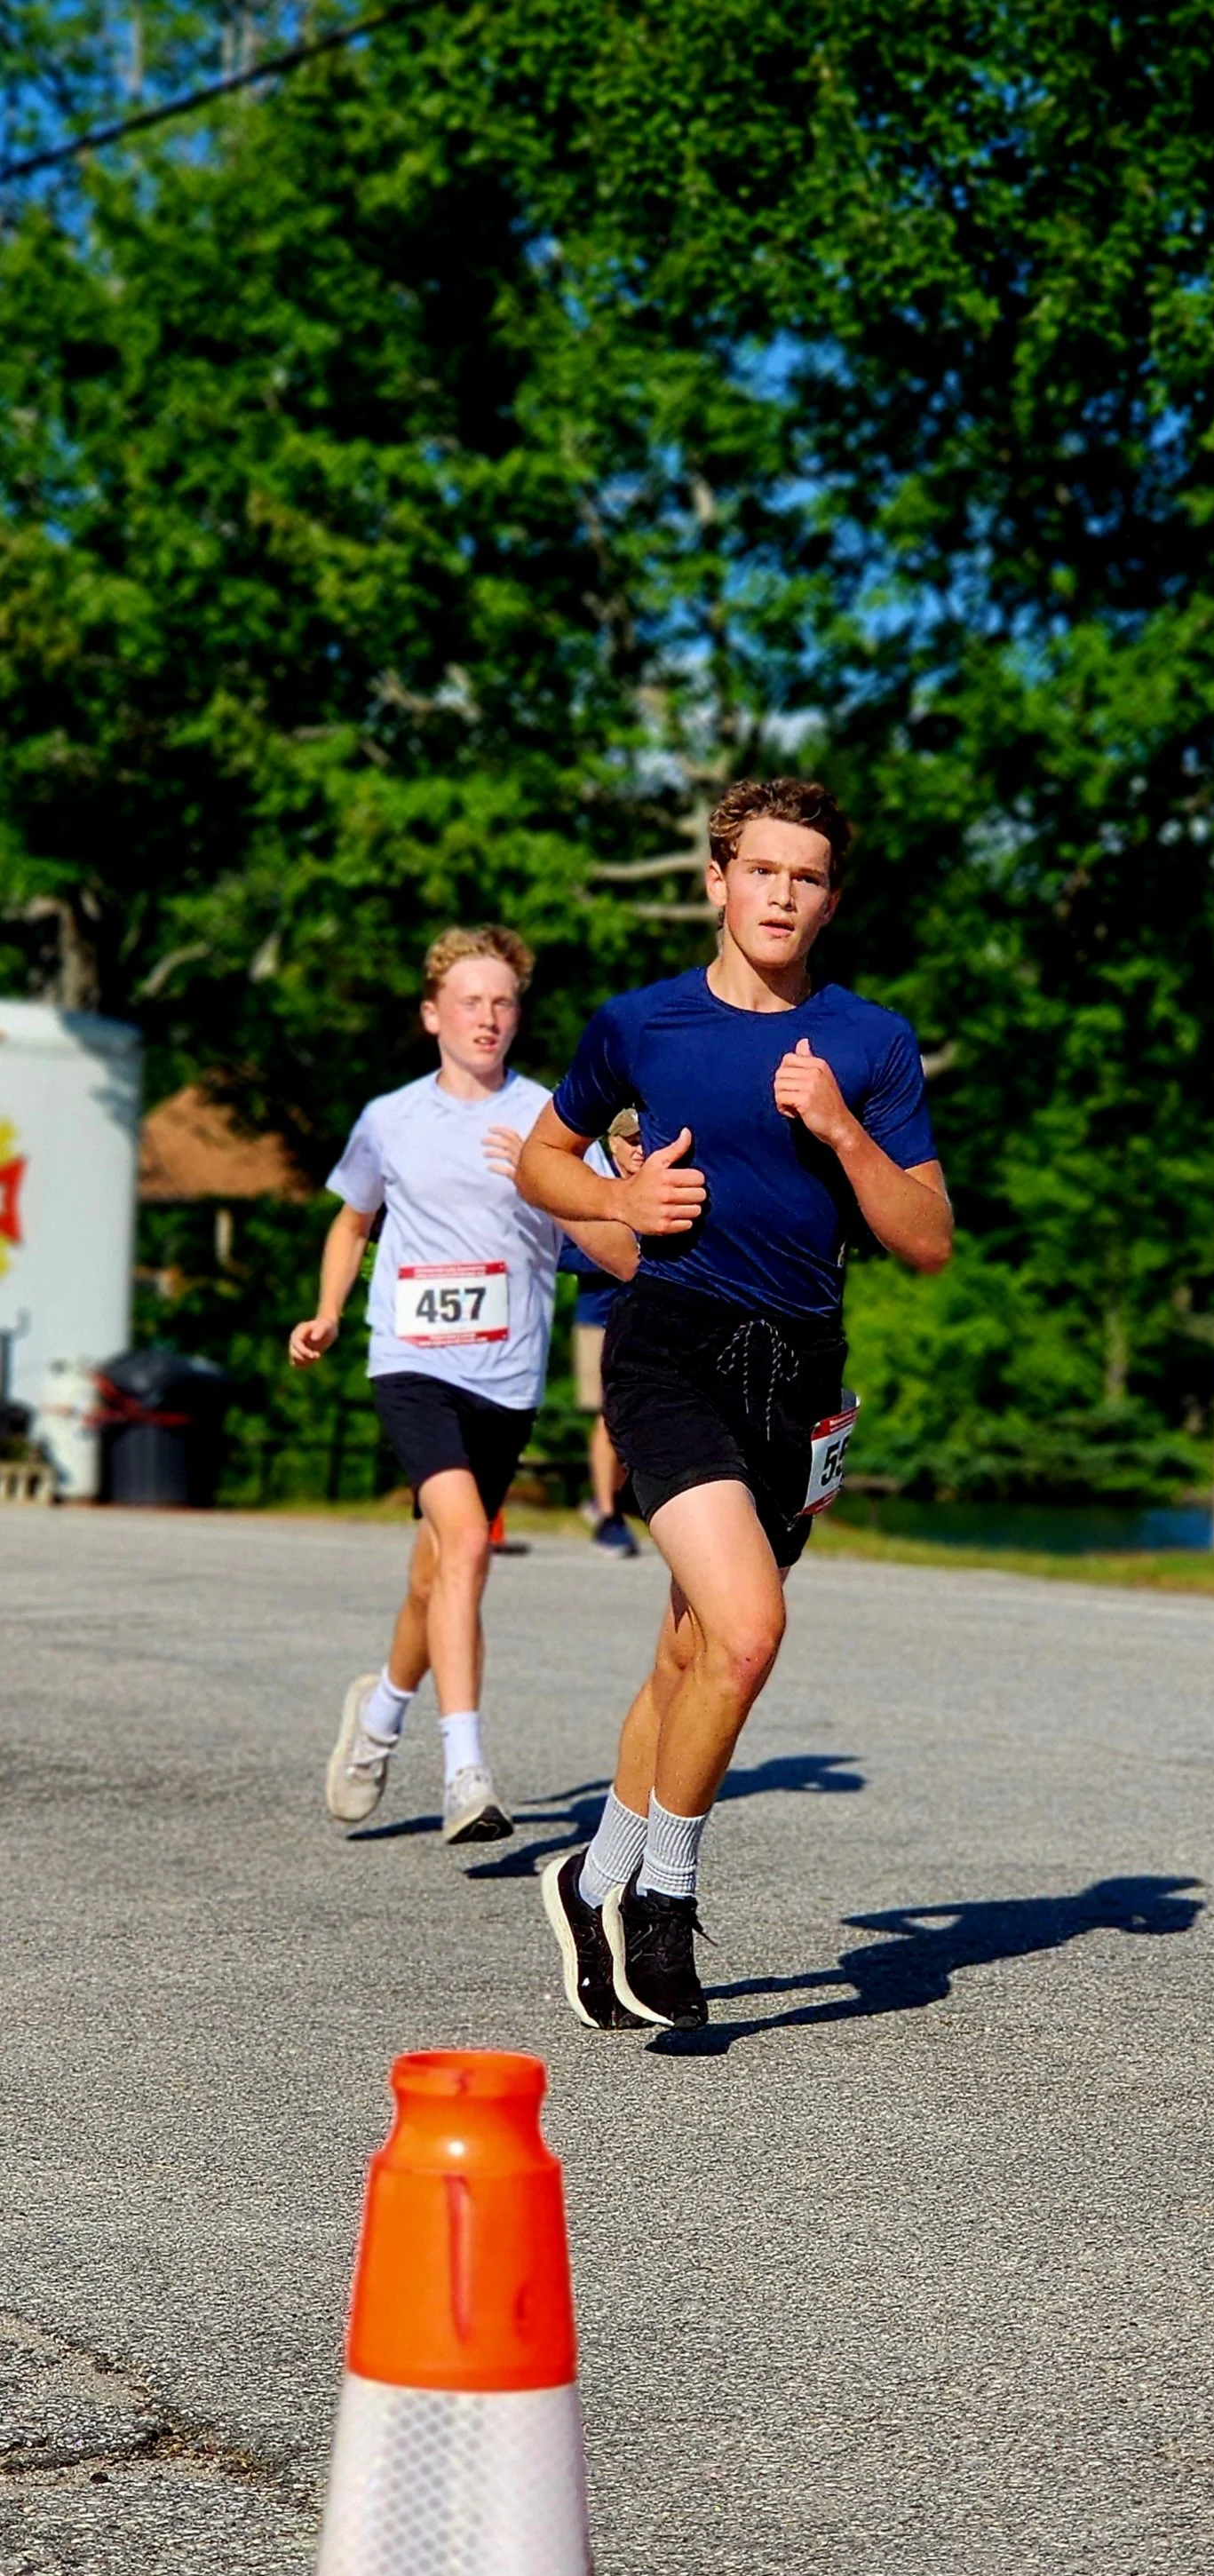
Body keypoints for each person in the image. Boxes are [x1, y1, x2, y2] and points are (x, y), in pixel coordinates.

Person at [516, 776, 953, 2030]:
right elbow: (548, 1155)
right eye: (759, 869)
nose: (780, 892)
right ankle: (661, 1895)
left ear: (826, 899)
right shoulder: (638, 1026)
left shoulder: (866, 1042)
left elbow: (923, 1238)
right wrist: (615, 1203)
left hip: (798, 1369)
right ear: (716, 880)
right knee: (748, 1630)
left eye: (805, 876)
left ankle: (585, 1875)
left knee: (689, 1647)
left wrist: (839, 1130)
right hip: (670, 1344)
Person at [288, 924, 634, 1846]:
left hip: (506, 1373)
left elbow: (611, 1249)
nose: (487, 1016)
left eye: (503, 1002)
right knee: (467, 1549)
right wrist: (326, 1311)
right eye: (470, 1001)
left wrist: (548, 1193)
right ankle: (465, 1768)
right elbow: (350, 1221)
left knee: (433, 1571)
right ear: (432, 1014)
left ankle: (378, 1717)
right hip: (409, 1357)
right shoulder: (389, 1118)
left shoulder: (550, 1120)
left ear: (517, 1017)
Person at [562, 1108, 645, 1556]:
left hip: (646, 1316)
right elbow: (561, 1253)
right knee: (608, 1415)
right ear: (612, 1143)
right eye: (630, 1141)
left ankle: (604, 1501)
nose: (639, 1149)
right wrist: (615, 1256)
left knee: (632, 1419)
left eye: (644, 1139)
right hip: (598, 1315)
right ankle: (608, 1514)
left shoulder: (658, 1181)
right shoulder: (589, 1184)